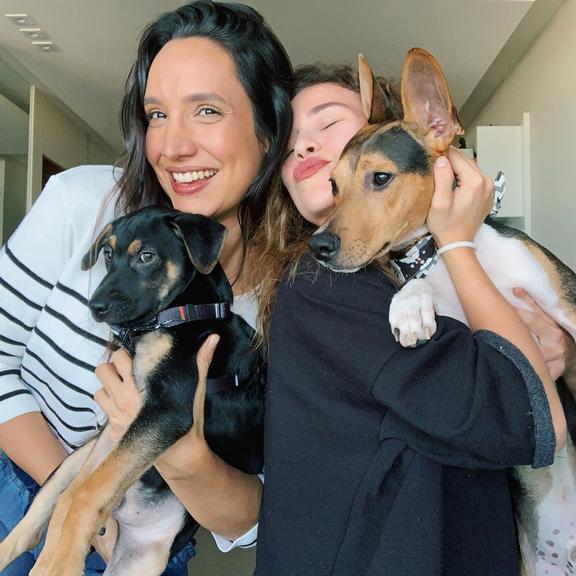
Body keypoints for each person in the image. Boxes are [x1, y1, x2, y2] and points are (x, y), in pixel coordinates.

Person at [0, 1, 292, 574]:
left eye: (205, 110)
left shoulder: (283, 308)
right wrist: (80, 506)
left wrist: (181, 454)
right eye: (157, 115)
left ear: (268, 127)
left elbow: (251, 520)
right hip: (21, 486)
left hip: (154, 537)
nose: (172, 147)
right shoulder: (83, 206)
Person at [251, 63, 576, 575]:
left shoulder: (403, 277)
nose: (305, 148)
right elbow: (525, 412)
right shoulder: (322, 288)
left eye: (328, 124)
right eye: (288, 147)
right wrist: (457, 241)